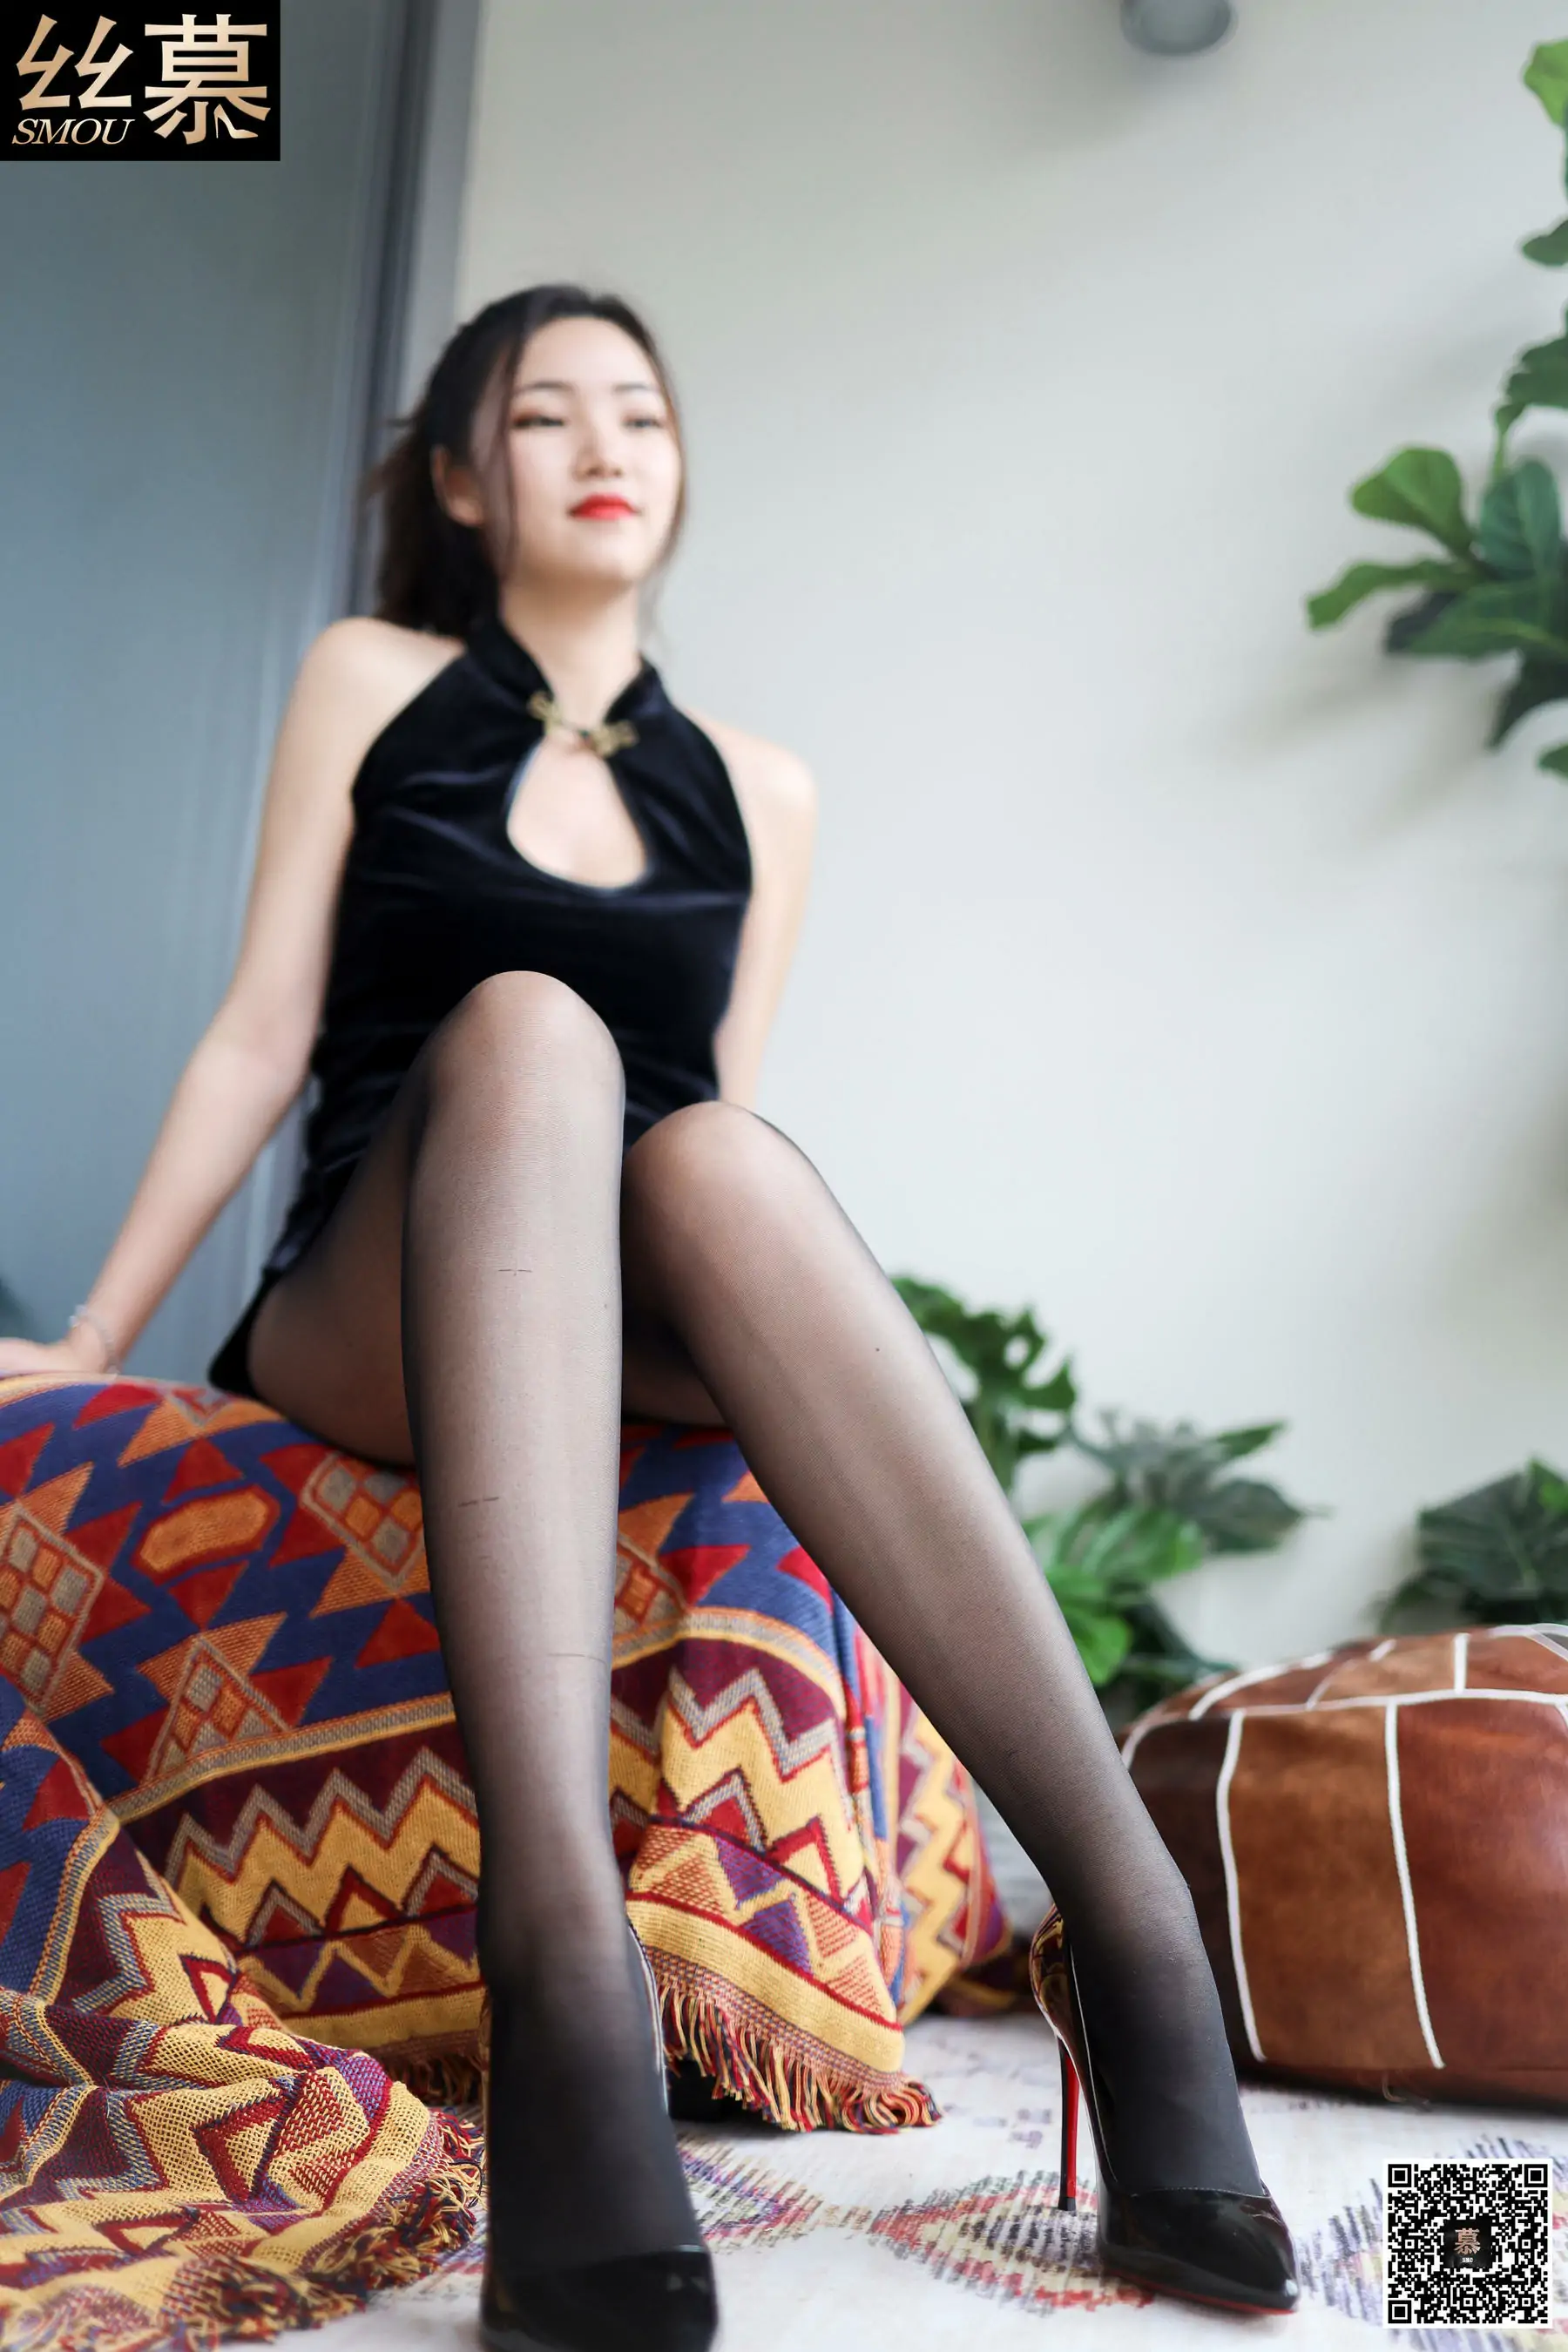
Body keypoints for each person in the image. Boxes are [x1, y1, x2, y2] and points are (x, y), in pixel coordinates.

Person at [0, 285, 1297, 2351]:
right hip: (380, 1284)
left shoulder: (762, 788)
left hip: (618, 1281)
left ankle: (1135, 1936)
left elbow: (726, 1117)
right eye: (546, 414)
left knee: (714, 1161)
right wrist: (93, 1335)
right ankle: (561, 1962)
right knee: (530, 1027)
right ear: (461, 478)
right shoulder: (373, 678)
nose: (605, 443)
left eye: (641, 411)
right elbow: (262, 1030)